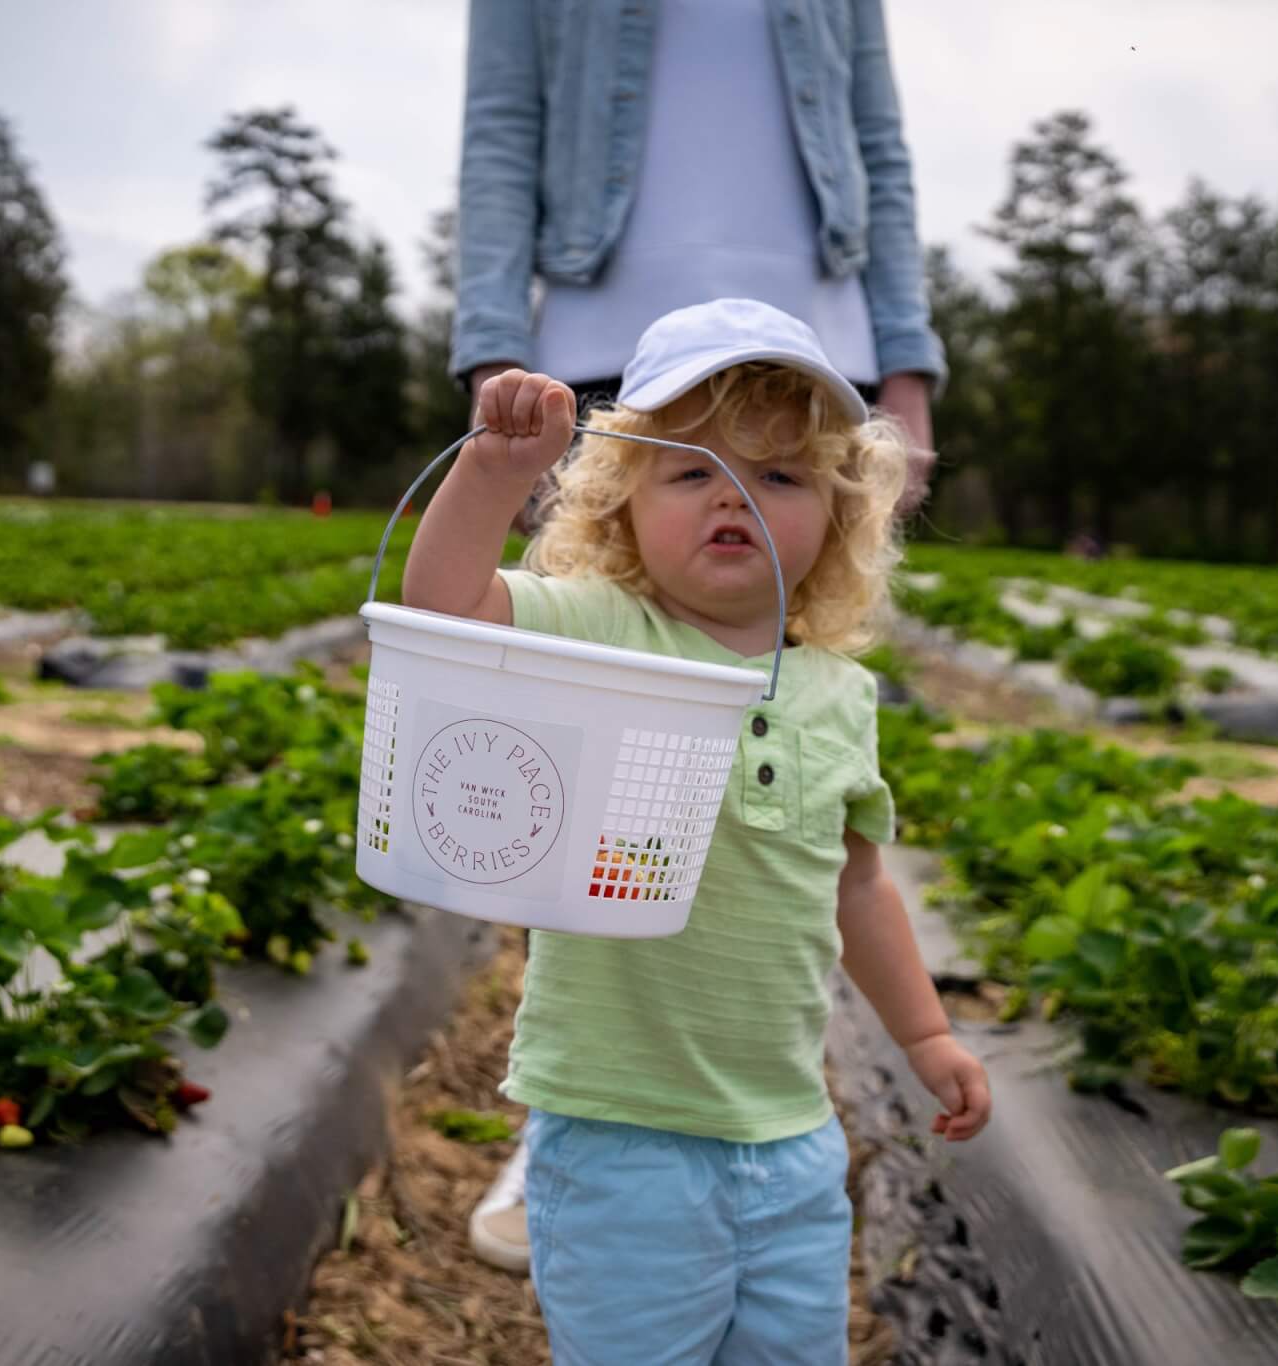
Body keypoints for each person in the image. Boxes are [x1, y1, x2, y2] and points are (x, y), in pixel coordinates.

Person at [403, 299, 992, 1363]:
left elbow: (856, 886)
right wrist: (491, 474)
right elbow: (444, 611)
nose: (734, 494)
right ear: (622, 503)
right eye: (691, 471)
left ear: (837, 513)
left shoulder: (840, 692)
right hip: (622, 1132)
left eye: (779, 475)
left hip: (791, 1136)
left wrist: (925, 1035)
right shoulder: (601, 628)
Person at [455, 0, 946, 523]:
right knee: (579, 602)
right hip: (592, 365)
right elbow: (499, 140)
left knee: (812, 606)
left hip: (825, 365)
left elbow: (879, 146)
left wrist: (906, 368)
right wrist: (495, 359)